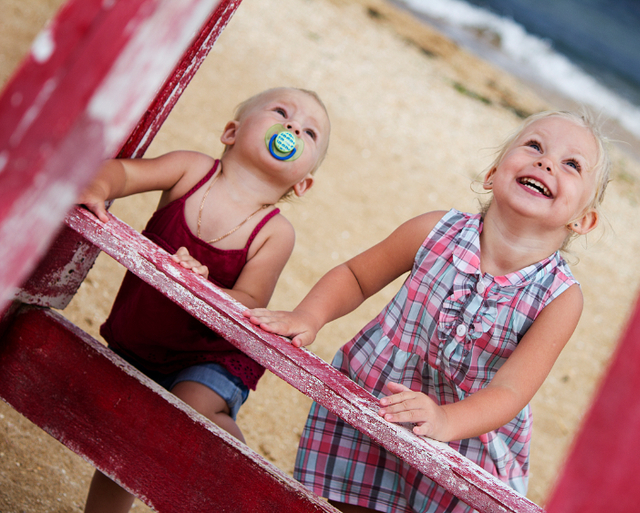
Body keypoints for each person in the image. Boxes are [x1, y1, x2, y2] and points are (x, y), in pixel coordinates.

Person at [245, 110, 611, 513]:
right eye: (535, 146)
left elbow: (510, 391)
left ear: (584, 220)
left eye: (571, 164)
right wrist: (309, 316)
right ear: (492, 174)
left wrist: (446, 421)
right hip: (381, 399)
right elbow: (356, 276)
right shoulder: (435, 231)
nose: (546, 162)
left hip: (467, 441)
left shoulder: (559, 299)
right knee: (350, 504)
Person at [77, 87, 331, 513]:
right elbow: (123, 173)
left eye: (309, 132)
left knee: (188, 410)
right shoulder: (189, 170)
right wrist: (99, 186)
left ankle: (241, 479)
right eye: (281, 112)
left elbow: (248, 301)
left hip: (210, 351)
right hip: (146, 334)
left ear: (302, 184)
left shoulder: (274, 232)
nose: (292, 126)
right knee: (124, 442)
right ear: (231, 132)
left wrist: (205, 286)